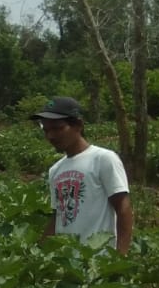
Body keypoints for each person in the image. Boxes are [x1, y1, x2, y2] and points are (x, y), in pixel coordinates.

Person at [29, 96, 133, 255]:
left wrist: (120, 257)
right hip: (68, 262)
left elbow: (123, 208)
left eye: (58, 128)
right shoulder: (55, 170)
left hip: (98, 260)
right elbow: (58, 216)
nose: (51, 136)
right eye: (46, 130)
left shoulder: (103, 159)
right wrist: (39, 254)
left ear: (78, 125)